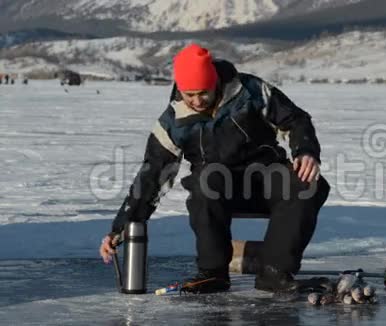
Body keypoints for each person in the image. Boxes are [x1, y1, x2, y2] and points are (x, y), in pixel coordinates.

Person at [99, 44, 330, 294]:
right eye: (190, 95)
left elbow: (296, 120)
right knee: (206, 181)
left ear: (215, 82)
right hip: (216, 189)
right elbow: (152, 176)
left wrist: (305, 151)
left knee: (307, 185)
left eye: (203, 93)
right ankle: (212, 273)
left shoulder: (251, 91)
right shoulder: (172, 122)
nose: (197, 101)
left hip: (266, 175)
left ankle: (275, 272)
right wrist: (120, 228)